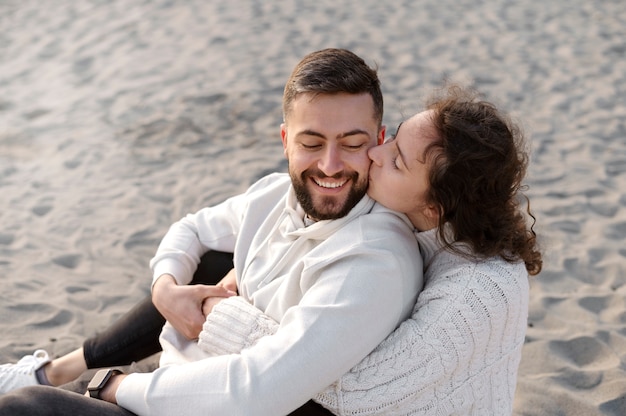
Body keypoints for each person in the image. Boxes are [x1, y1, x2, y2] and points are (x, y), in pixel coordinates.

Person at [0, 48, 423, 415]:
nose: (331, 165)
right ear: (285, 142)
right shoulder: (276, 195)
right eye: (312, 143)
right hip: (182, 378)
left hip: (208, 402)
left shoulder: (373, 260)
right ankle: (50, 371)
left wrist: (112, 385)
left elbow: (253, 392)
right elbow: (192, 229)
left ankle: (54, 380)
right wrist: (164, 289)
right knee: (214, 260)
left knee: (26, 408)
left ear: (379, 139)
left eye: (351, 143)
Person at [198, 84, 543, 414]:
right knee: (216, 263)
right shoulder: (432, 225)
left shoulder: (474, 293)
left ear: (434, 207)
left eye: (396, 162)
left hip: (365, 404)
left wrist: (220, 312)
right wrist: (245, 272)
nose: (375, 153)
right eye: (393, 138)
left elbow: (360, 391)